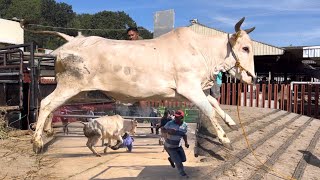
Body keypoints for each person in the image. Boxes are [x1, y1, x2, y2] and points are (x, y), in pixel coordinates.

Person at [162, 110, 189, 177]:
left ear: (181, 117)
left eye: (177, 117)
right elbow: (162, 129)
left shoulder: (185, 125)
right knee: (178, 162)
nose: (175, 118)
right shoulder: (170, 123)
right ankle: (183, 174)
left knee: (183, 159)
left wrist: (186, 143)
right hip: (170, 146)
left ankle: (171, 159)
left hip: (178, 146)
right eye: (175, 117)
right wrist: (169, 130)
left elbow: (184, 135)